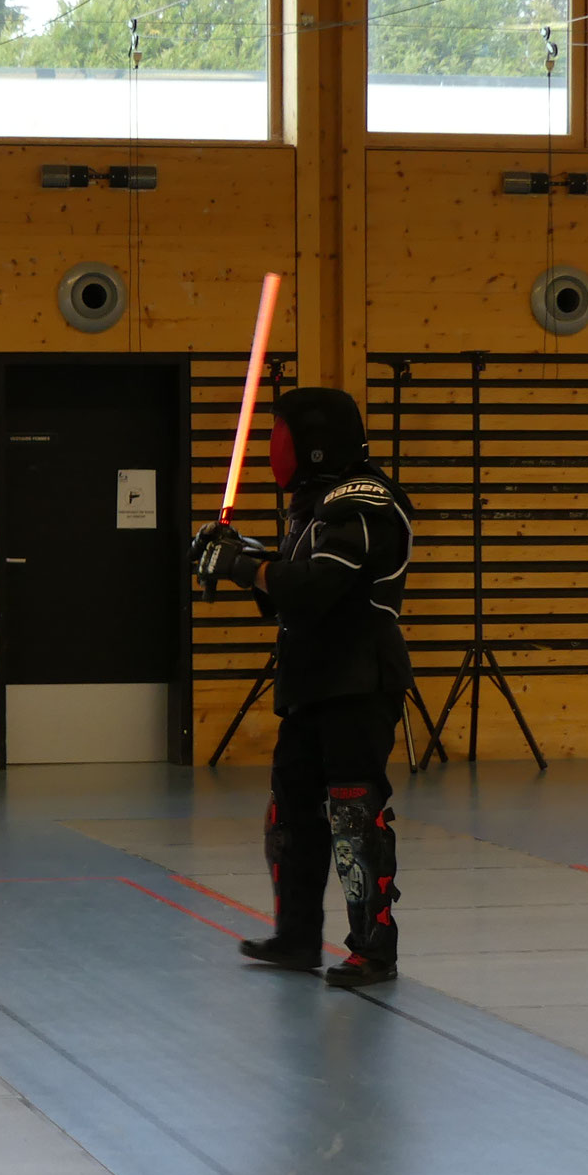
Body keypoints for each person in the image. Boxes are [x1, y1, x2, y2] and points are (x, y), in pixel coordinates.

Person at [193, 387, 414, 988]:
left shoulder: (363, 501)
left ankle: (374, 950)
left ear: (314, 443)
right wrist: (242, 559)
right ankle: (296, 938)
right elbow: (289, 592)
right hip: (312, 679)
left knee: (353, 814)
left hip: (358, 679)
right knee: (290, 813)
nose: (274, 448)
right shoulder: (314, 506)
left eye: (281, 434)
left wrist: (246, 567)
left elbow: (318, 587)